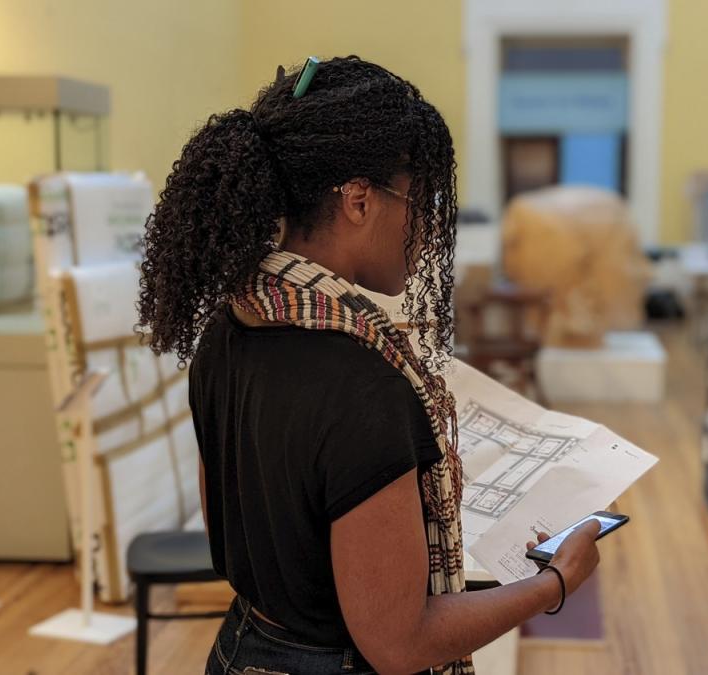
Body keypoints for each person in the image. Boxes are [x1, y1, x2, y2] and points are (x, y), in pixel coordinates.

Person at [138, 56, 601, 675]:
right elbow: (398, 643)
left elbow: (237, 546)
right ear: (358, 200)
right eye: (421, 200)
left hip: (240, 649)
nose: (429, 226)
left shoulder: (228, 329)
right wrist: (557, 583)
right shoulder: (365, 387)